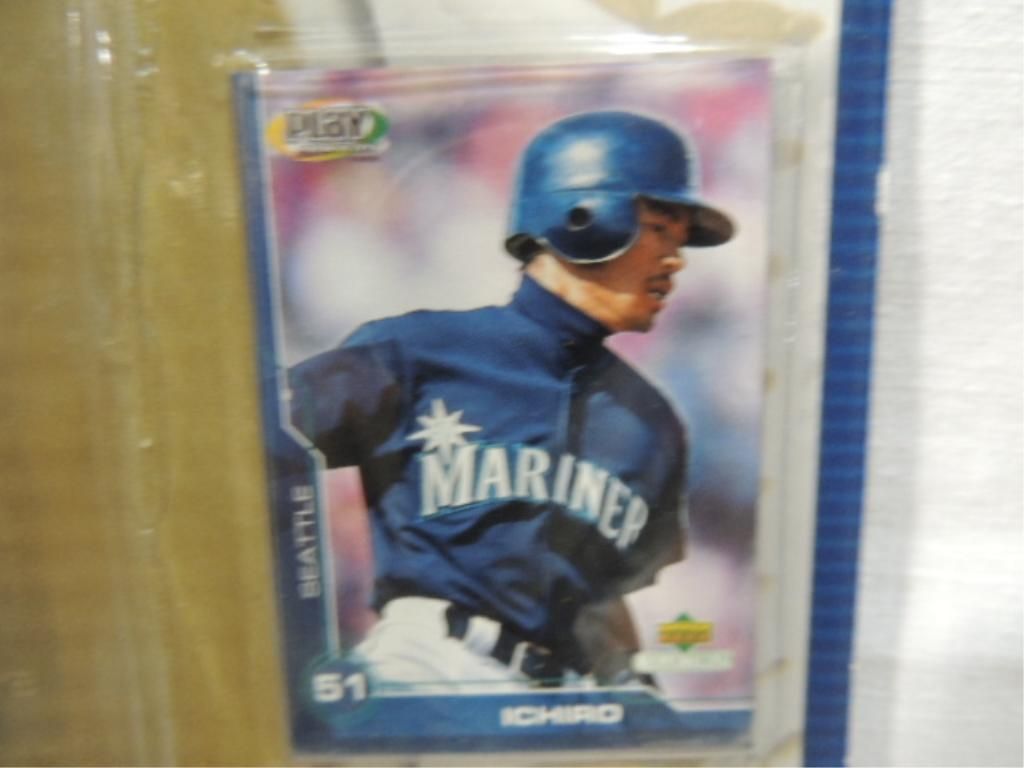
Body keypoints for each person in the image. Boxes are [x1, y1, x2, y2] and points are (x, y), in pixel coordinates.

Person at [288, 111, 735, 692]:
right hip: (433, 667)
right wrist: (295, 632)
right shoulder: (419, 351)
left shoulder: (651, 421)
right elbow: (248, 441)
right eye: (660, 230)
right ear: (582, 218)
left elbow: (604, 602)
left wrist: (641, 704)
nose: (676, 259)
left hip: (563, 698)